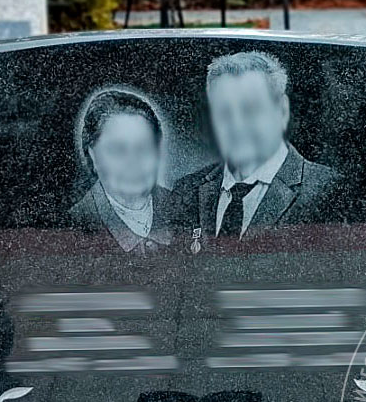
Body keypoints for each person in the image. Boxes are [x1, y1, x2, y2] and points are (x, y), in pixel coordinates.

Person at [174, 50, 340, 243]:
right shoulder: (187, 190)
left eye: (250, 109)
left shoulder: (327, 190)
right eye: (224, 110)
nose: (236, 125)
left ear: (282, 110)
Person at [68, 89, 191, 254]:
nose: (133, 162)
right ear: (93, 156)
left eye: (143, 147)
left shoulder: (184, 209)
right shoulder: (72, 229)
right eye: (118, 149)